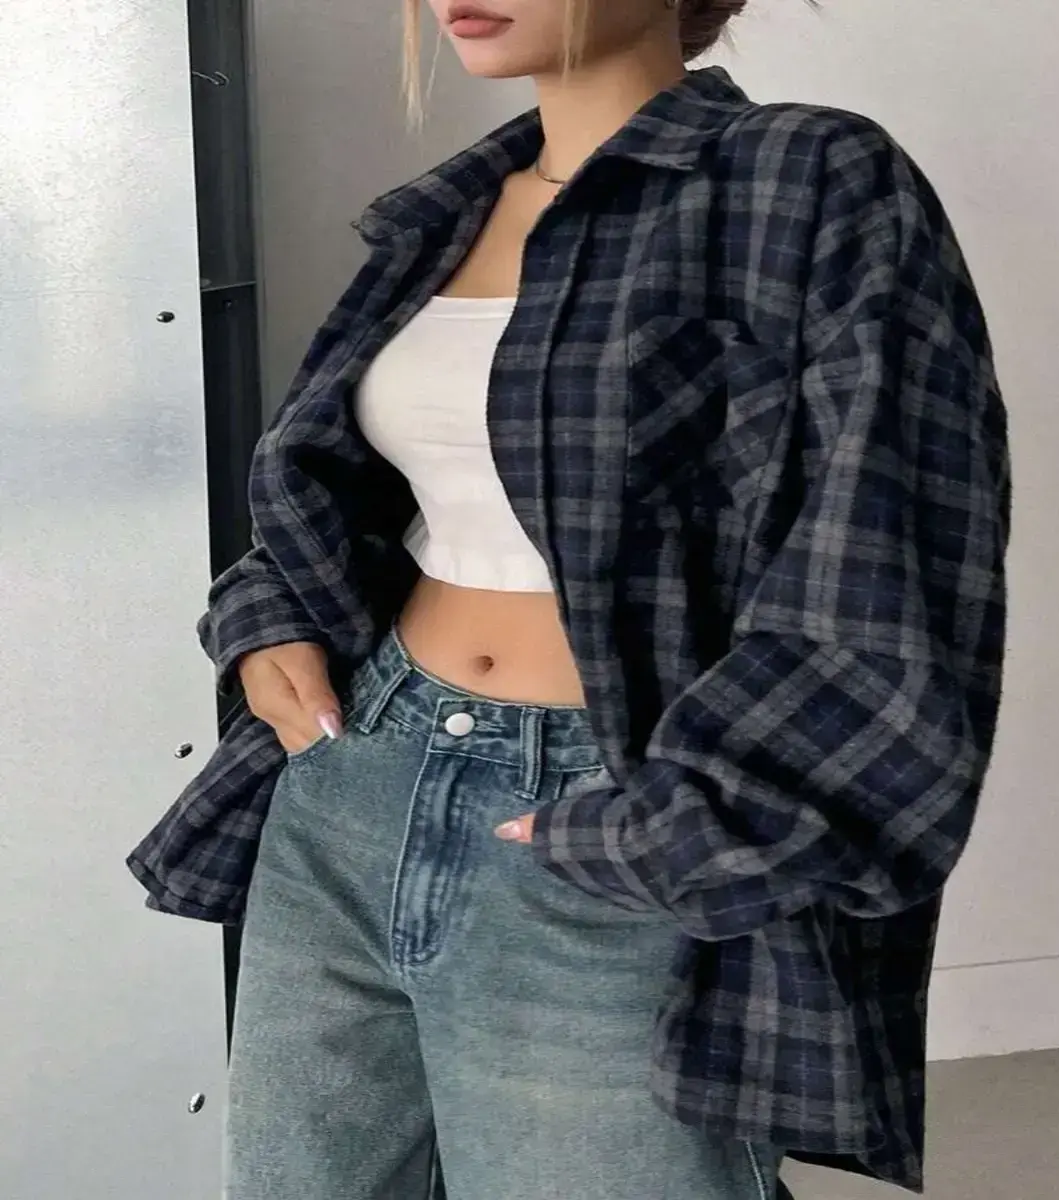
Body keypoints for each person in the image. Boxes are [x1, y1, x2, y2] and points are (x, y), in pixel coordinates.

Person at [128, 1, 1010, 1196]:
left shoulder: (809, 177)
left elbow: (887, 553)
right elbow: (341, 487)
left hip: (610, 817)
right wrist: (265, 620)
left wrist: (676, 829)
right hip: (352, 781)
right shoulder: (444, 213)